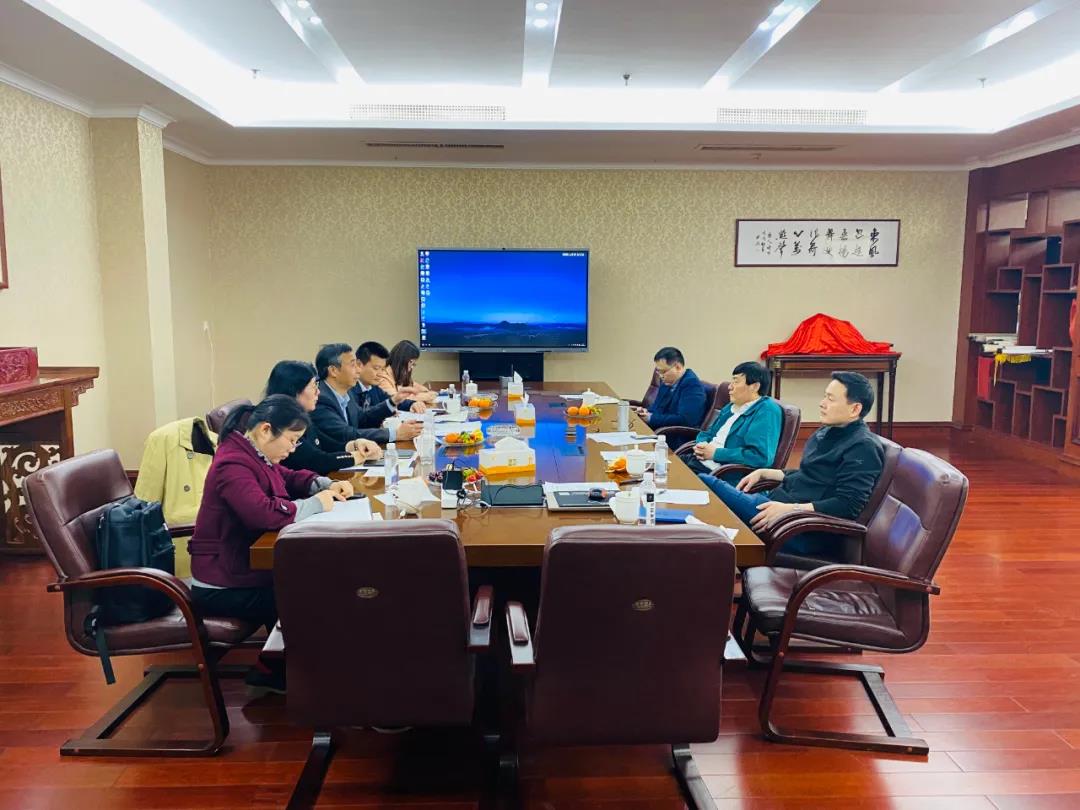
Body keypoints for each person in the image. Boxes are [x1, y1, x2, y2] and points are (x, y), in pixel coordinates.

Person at [188, 395, 353, 690]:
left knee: (315, 581)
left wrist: (321, 483)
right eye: (291, 440)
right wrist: (315, 503)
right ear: (266, 430)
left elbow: (284, 477)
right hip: (221, 581)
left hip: (240, 568)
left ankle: (282, 665)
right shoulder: (232, 463)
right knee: (309, 592)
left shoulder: (251, 452)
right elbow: (261, 514)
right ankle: (277, 670)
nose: (293, 449)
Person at [699, 371, 884, 556]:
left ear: (855, 409)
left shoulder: (863, 446)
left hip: (798, 528)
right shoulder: (828, 431)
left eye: (831, 399)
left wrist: (789, 509)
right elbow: (809, 475)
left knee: (706, 483)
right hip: (778, 505)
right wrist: (766, 473)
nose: (822, 403)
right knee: (709, 514)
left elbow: (848, 505)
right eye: (824, 396)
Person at [265, 360, 383, 475]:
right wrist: (359, 456)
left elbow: (328, 445)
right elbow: (317, 461)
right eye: (313, 386)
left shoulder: (301, 417)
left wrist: (356, 444)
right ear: (294, 390)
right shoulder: (282, 423)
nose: (318, 392)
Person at [679, 361, 782, 484]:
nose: (730, 387)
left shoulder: (766, 411)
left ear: (755, 386)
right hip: (698, 461)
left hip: (720, 474)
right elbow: (708, 432)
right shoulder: (732, 406)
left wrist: (716, 454)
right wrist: (701, 445)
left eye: (736, 382)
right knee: (662, 467)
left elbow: (760, 456)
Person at [310, 343, 423, 447]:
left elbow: (363, 419)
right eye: (353, 365)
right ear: (333, 371)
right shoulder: (319, 399)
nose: (358, 371)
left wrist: (393, 401)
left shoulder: (345, 392)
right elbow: (346, 434)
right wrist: (395, 434)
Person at [635, 347, 707, 430]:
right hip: (659, 428)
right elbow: (658, 408)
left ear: (678, 367)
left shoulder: (692, 385)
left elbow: (685, 420)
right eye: (658, 371)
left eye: (663, 371)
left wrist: (651, 418)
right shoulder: (667, 381)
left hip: (674, 433)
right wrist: (646, 412)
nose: (660, 376)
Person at [353, 340, 427, 418]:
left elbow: (391, 400)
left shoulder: (374, 388)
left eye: (382, 369)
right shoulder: (349, 390)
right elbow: (360, 417)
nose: (380, 374)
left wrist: (411, 404)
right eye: (376, 368)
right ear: (359, 364)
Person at [377, 339, 438, 404]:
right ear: (401, 360)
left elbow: (414, 385)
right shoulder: (382, 377)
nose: (411, 367)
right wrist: (425, 397)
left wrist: (426, 392)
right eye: (411, 362)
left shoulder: (399, 373)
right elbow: (395, 399)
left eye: (413, 364)